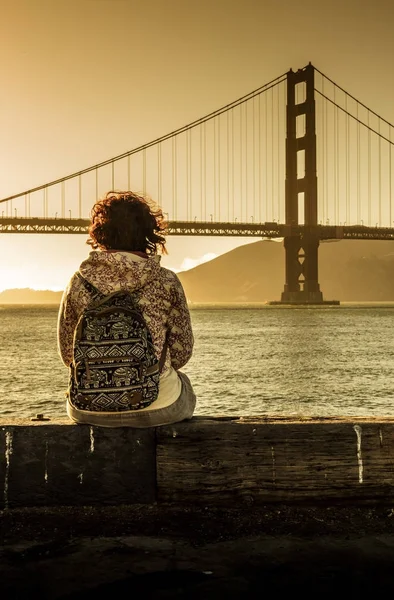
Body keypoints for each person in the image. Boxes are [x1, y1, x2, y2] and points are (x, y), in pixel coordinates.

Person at [57, 190, 196, 427]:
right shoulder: (166, 280)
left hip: (87, 409)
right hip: (157, 407)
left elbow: (68, 355)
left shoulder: (79, 282)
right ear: (149, 233)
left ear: (99, 234)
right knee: (183, 383)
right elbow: (182, 353)